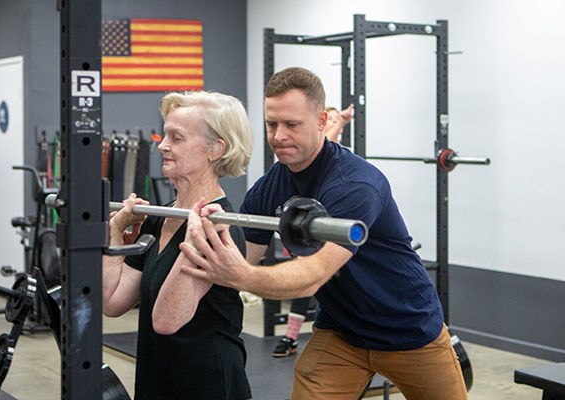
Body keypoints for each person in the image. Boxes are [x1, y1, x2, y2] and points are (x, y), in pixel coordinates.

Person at [181, 67, 468, 400]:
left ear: (321, 122)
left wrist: (241, 276)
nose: (278, 136)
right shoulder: (271, 185)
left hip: (409, 329)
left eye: (292, 125)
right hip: (342, 333)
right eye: (272, 124)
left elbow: (310, 278)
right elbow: (241, 254)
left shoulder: (355, 184)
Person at [102, 91, 253, 400]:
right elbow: (112, 302)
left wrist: (194, 238)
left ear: (215, 149)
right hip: (158, 378)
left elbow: (166, 320)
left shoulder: (216, 227)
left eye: (177, 138)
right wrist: (115, 231)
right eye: (165, 134)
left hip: (206, 385)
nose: (162, 145)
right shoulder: (161, 218)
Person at [272, 101, 354, 358]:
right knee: (302, 284)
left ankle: (293, 336)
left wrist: (339, 121)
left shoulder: (339, 157)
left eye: (331, 121)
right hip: (303, 229)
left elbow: (327, 138)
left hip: (332, 236)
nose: (330, 124)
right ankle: (291, 336)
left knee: (318, 285)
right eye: (327, 120)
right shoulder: (302, 161)